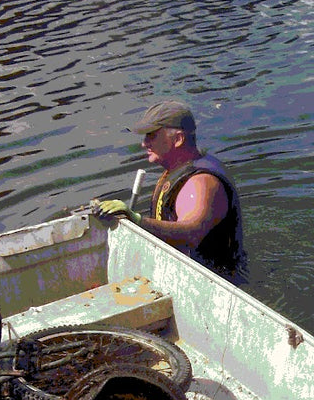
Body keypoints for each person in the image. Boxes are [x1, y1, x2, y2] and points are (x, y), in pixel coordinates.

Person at [96, 100, 248, 285]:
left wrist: (136, 220)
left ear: (178, 139)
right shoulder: (176, 170)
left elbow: (191, 233)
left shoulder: (201, 183)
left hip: (214, 283)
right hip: (185, 276)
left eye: (151, 136)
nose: (144, 144)